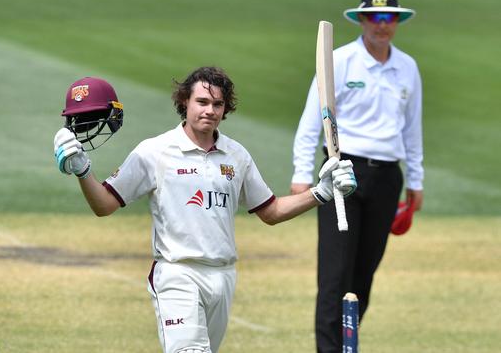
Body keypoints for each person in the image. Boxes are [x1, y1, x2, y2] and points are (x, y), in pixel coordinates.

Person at [54, 67, 357, 353]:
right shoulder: (154, 152)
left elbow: (272, 211)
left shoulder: (236, 155)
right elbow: (104, 204)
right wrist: (84, 172)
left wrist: (321, 193)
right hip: (177, 272)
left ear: (226, 109)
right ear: (184, 102)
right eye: (201, 102)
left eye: (217, 104)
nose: (209, 110)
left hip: (223, 276)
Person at [290, 0, 423, 352]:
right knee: (335, 273)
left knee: (365, 272)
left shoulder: (407, 67)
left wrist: (415, 180)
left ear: (397, 22)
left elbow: (412, 129)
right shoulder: (339, 61)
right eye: (376, 18)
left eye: (390, 18)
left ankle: (348, 343)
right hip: (341, 172)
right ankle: (328, 349)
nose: (383, 25)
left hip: (387, 176)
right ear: (362, 19)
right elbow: (310, 124)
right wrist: (302, 175)